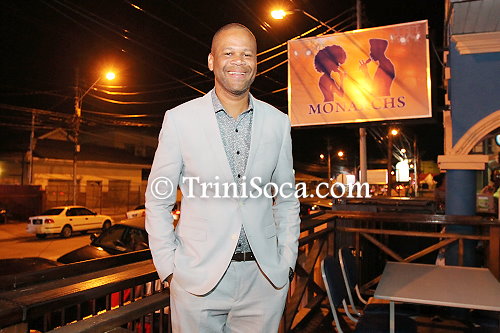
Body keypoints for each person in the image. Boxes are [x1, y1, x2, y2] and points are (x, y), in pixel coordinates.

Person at [145, 23, 300, 332]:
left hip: (264, 280)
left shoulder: (278, 122)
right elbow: (158, 199)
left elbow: (286, 200)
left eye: (247, 54)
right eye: (228, 53)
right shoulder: (179, 119)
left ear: (256, 62)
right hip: (196, 280)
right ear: (211, 61)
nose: (238, 61)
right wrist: (169, 268)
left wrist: (287, 264)